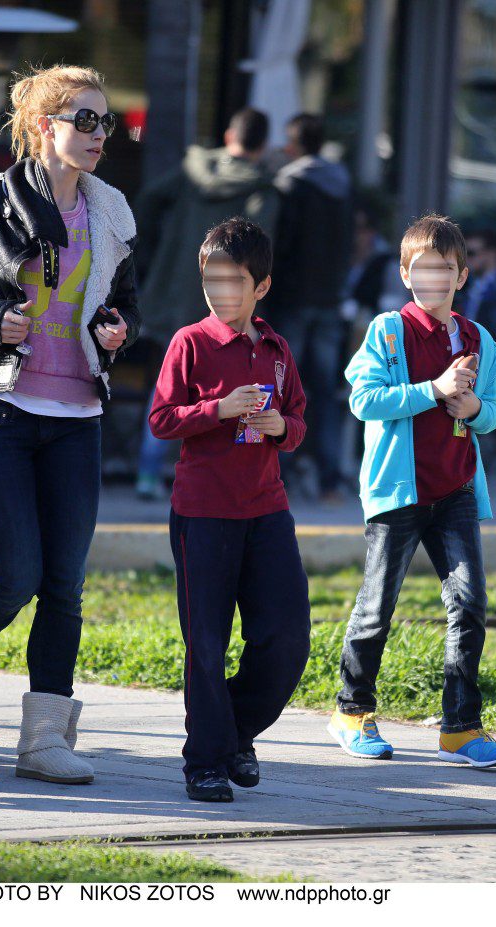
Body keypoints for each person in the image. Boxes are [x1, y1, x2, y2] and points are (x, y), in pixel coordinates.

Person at [0, 64, 139, 785]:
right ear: (45, 127)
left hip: (77, 413)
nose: (100, 135)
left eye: (108, 122)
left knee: (64, 583)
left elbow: (126, 300)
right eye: (86, 121)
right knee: (18, 572)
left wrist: (115, 328)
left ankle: (43, 739)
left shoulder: (112, 211)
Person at [326, 214, 496, 769]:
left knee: (470, 604)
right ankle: (352, 710)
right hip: (397, 492)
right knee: (376, 607)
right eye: (422, 269)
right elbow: (365, 401)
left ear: (462, 277)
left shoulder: (480, 340)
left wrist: (475, 408)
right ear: (407, 275)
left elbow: (493, 416)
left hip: (456, 490)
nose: (434, 278)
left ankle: (460, 729)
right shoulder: (387, 331)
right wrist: (432, 390)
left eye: (447, 269)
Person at [148, 218, 311, 803]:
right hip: (203, 513)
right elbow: (161, 420)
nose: (221, 292)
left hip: (267, 510)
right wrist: (217, 410)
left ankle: (236, 732)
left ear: (260, 287)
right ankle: (206, 762)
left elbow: (298, 424)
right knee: (207, 644)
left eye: (234, 281)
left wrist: (279, 426)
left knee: (288, 637)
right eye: (211, 280)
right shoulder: (189, 343)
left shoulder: (276, 348)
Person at [134, 109, 281, 500]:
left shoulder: (192, 169)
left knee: (170, 380)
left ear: (230, 133)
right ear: (263, 144)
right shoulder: (261, 188)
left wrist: (151, 251)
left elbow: (149, 198)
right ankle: (223, 472)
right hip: (231, 298)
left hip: (177, 287)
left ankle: (148, 472)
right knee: (232, 380)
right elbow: (260, 243)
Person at [268, 113, 353, 502]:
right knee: (324, 391)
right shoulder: (343, 185)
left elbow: (281, 247)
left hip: (295, 299)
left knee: (285, 388)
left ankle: (277, 476)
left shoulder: (291, 185)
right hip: (330, 300)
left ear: (295, 143)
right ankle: (330, 480)